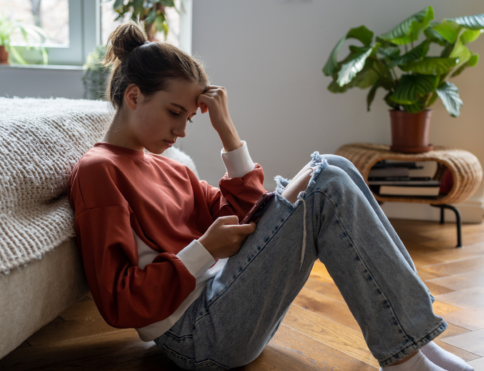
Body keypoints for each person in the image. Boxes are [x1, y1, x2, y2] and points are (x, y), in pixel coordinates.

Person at [67, 21, 474, 371]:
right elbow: (117, 300)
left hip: (227, 297)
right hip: (197, 337)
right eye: (175, 113)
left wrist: (227, 131)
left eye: (190, 118)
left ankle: (418, 344)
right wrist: (204, 249)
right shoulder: (100, 170)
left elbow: (248, 215)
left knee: (333, 166)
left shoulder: (171, 166)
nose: (183, 130)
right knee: (326, 186)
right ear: (134, 96)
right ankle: (406, 356)